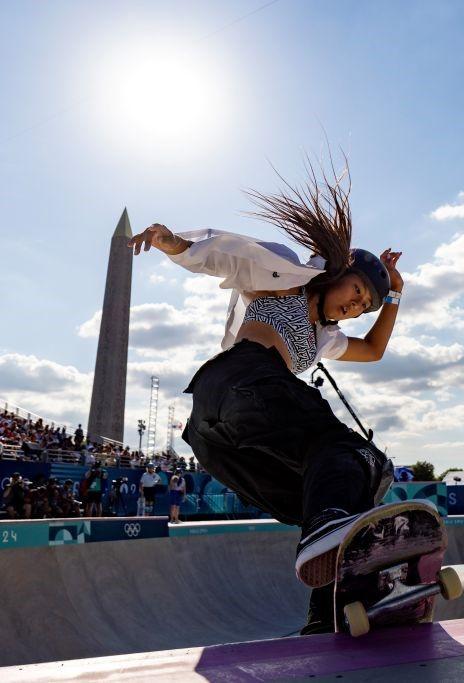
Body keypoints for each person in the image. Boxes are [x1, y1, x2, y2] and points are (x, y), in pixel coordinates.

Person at [127, 157, 401, 635]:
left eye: (363, 306)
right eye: (355, 291)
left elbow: (375, 350)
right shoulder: (287, 274)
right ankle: (332, 539)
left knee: (333, 500)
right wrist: (174, 244)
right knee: (356, 455)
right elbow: (227, 255)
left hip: (218, 436)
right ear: (336, 271)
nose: (355, 307)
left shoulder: (325, 339)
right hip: (242, 383)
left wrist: (394, 297)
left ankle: (328, 614)